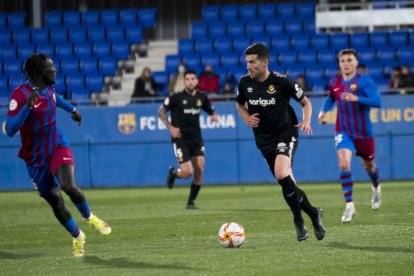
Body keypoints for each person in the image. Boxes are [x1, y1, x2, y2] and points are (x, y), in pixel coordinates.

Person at [5, 53, 111, 257]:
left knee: (69, 186)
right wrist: (27, 106)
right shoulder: (20, 95)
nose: (54, 70)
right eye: (49, 67)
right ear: (37, 72)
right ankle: (78, 236)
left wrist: (71, 109)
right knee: (56, 202)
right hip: (35, 158)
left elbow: (55, 97)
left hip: (56, 145)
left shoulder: (50, 86)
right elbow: (9, 129)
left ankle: (90, 218)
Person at [236, 43, 325, 242]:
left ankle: (297, 221)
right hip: (264, 139)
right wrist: (245, 117)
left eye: (252, 62)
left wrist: (307, 120)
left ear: (265, 62)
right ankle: (313, 214)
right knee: (287, 183)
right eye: (246, 62)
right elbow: (239, 104)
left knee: (281, 173)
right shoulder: (244, 83)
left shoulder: (282, 81)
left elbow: (305, 102)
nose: (248, 66)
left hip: (286, 132)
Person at [318, 48, 382, 223]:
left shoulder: (364, 81)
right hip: (342, 130)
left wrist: (357, 99)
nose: (346, 63)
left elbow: (377, 101)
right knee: (344, 163)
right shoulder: (335, 82)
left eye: (349, 60)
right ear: (339, 64)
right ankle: (349, 205)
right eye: (343, 61)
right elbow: (331, 98)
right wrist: (323, 112)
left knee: (369, 166)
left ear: (356, 62)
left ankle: (376, 187)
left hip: (363, 133)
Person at [158, 69, 219, 209]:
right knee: (187, 172)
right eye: (188, 79)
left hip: (196, 138)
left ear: (197, 81)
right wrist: (170, 128)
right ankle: (174, 173)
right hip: (180, 139)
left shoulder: (202, 97)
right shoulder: (176, 97)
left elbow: (210, 109)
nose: (191, 81)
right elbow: (160, 111)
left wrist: (213, 115)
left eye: (193, 79)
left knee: (199, 169)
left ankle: (191, 202)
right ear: (184, 81)